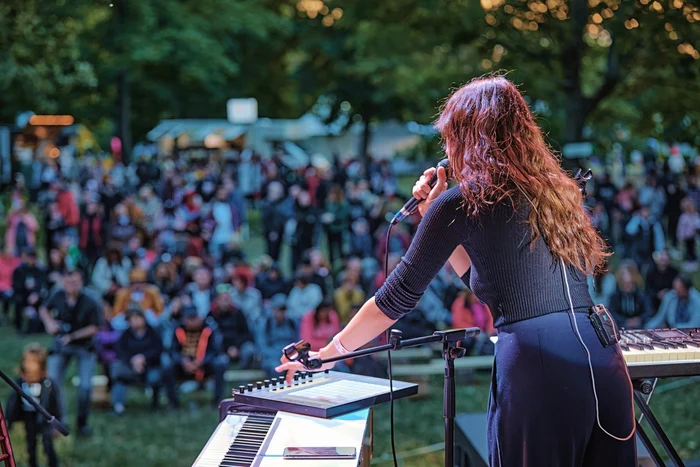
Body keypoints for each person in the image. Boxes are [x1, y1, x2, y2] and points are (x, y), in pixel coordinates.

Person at [277, 76, 636, 466]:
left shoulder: (462, 200)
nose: (447, 148)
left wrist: (329, 353)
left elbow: (397, 296)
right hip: (601, 355)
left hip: (538, 368)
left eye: (450, 136)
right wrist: (433, 215)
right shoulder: (557, 191)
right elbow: (487, 282)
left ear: (467, 138)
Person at [39, 270, 101, 436]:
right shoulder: (57, 295)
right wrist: (49, 323)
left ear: (81, 282)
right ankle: (59, 422)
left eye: (74, 283)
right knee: (52, 381)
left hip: (84, 346)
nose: (70, 287)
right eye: (67, 283)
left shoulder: (91, 300)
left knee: (85, 387)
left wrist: (73, 336)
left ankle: (82, 424)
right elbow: (43, 309)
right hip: (61, 345)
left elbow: (95, 327)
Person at [4, 343, 61, 467]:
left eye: (33, 362)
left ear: (41, 364)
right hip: (28, 417)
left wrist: (58, 423)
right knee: (31, 444)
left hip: (44, 419)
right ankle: (32, 463)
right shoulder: (19, 382)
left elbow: (57, 404)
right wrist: (9, 420)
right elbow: (12, 402)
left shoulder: (48, 384)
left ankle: (53, 463)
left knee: (47, 443)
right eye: (26, 361)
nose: (28, 365)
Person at [110, 307, 167, 415]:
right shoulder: (126, 335)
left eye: (138, 318)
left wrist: (143, 358)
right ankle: (118, 407)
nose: (135, 321)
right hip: (130, 367)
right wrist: (133, 360)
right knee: (119, 378)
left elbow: (158, 349)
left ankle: (155, 405)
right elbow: (120, 351)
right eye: (132, 319)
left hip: (150, 366)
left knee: (155, 378)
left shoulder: (153, 333)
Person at [168, 305, 227, 405]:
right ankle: (173, 403)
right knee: (167, 366)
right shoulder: (178, 330)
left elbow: (214, 350)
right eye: (189, 319)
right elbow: (173, 351)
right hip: (183, 366)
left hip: (204, 365)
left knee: (220, 364)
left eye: (194, 318)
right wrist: (183, 361)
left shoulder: (209, 329)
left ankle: (217, 402)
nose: (192, 321)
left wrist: (201, 361)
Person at [210, 292, 256, 369]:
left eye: (227, 299)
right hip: (221, 349)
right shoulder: (212, 315)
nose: (225, 302)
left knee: (249, 349)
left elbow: (246, 334)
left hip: (238, 346)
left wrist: (236, 347)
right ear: (217, 301)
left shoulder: (238, 313)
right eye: (223, 300)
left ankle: (243, 373)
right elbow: (211, 337)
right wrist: (226, 349)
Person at [12, 247, 47, 333]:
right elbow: (16, 286)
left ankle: (42, 326)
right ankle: (19, 327)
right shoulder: (19, 270)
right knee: (18, 301)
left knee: (45, 301)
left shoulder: (40, 270)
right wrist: (26, 291)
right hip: (23, 296)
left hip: (36, 296)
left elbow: (42, 285)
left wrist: (37, 294)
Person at [608, 263, 653, 329]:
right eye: (624, 284)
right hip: (621, 325)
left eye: (629, 284)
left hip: (640, 325)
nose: (627, 287)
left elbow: (648, 311)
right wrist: (625, 321)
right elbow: (612, 312)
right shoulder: (615, 296)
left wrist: (638, 320)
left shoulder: (641, 295)